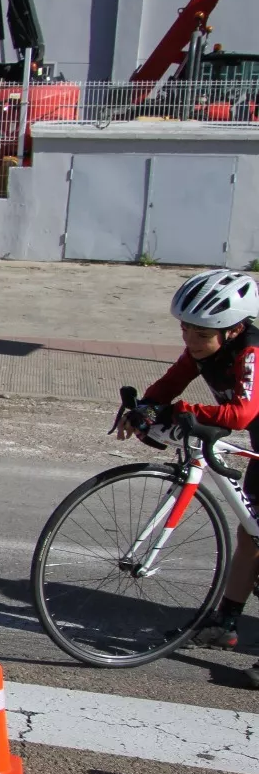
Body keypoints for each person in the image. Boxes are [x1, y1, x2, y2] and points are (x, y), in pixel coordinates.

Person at [121, 269, 259, 685]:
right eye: (185, 329)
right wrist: (145, 408)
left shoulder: (250, 353)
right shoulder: (203, 350)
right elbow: (171, 382)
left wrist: (187, 413)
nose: (190, 342)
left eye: (200, 334)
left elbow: (242, 413)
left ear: (233, 329)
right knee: (250, 535)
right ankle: (225, 623)